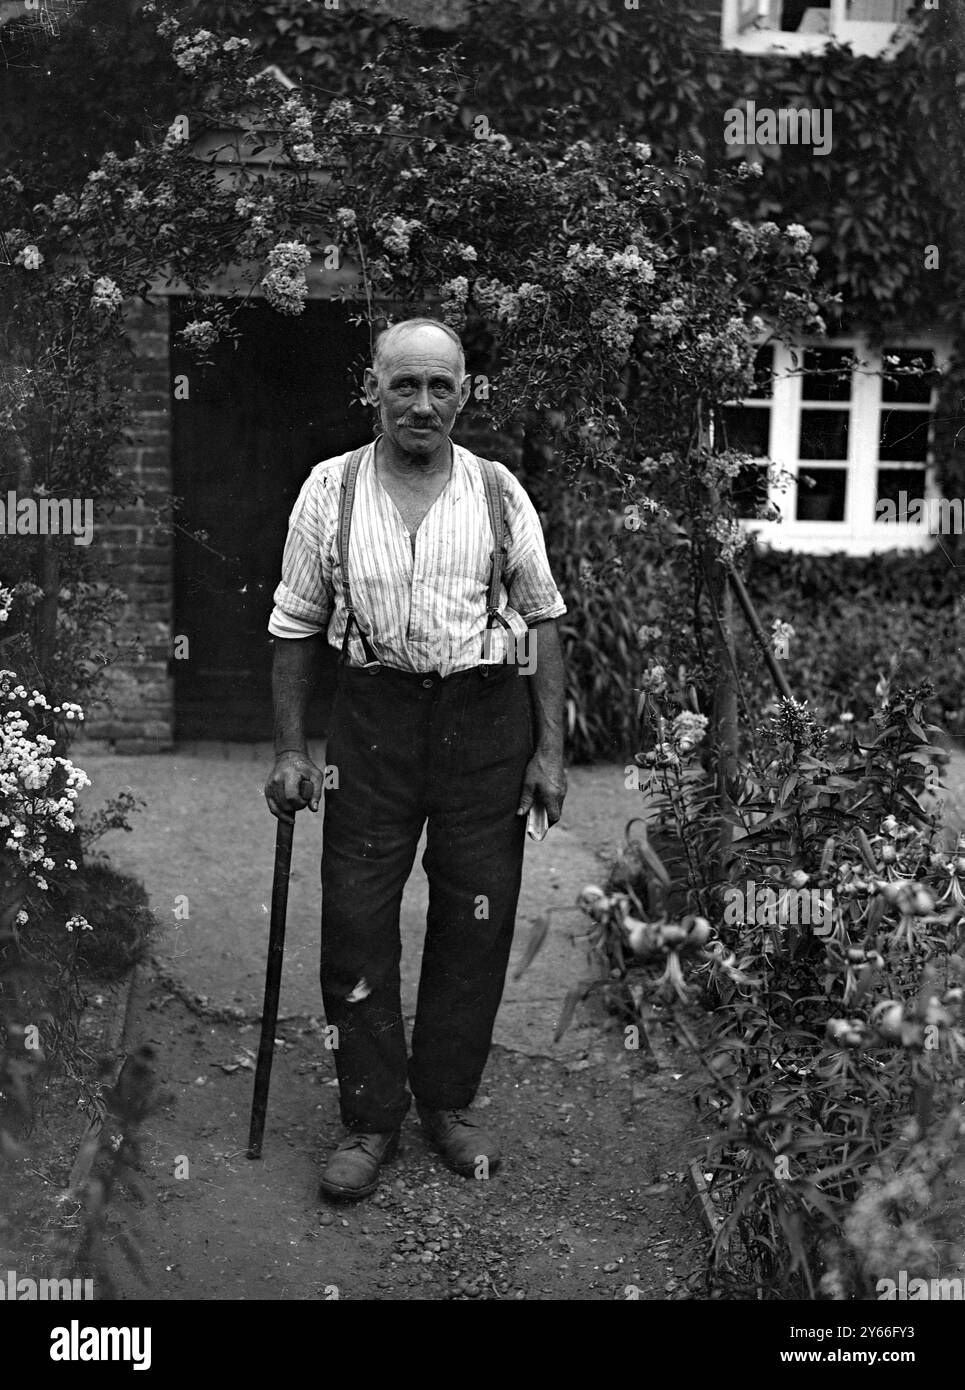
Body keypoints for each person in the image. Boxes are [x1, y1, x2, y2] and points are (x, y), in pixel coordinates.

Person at [263, 317, 567, 1200]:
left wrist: (549, 751)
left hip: (483, 725)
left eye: (440, 386)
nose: (422, 404)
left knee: (473, 921)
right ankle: (369, 1117)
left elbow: (543, 621)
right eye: (405, 385)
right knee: (356, 919)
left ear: (464, 394)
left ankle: (446, 1104)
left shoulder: (500, 492)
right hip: (374, 725)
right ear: (375, 389)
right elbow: (293, 626)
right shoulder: (331, 490)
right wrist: (290, 751)